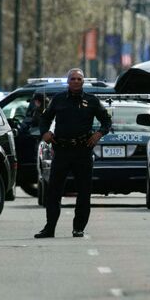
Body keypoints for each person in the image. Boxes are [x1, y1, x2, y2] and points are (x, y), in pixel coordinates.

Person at [34, 69, 112, 239]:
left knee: (84, 192)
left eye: (79, 79)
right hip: (62, 150)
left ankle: (78, 228)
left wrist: (98, 134)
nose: (76, 81)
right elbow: (45, 118)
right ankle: (50, 228)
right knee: (54, 191)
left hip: (83, 151)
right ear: (68, 81)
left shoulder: (91, 101)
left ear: (83, 82)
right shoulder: (59, 99)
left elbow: (106, 121)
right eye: (73, 79)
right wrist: (45, 132)